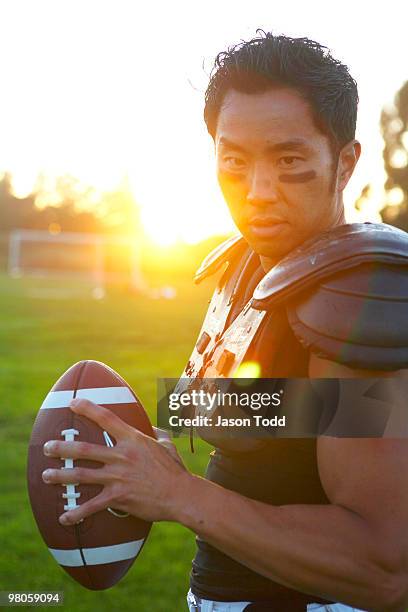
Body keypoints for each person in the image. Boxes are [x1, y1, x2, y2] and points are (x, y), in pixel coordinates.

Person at [41, 32, 408, 611]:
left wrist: (178, 493)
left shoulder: (353, 297)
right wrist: (155, 440)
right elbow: (286, 410)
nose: (257, 193)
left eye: (288, 160)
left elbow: (384, 565)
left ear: (344, 162)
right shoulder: (245, 262)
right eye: (235, 161)